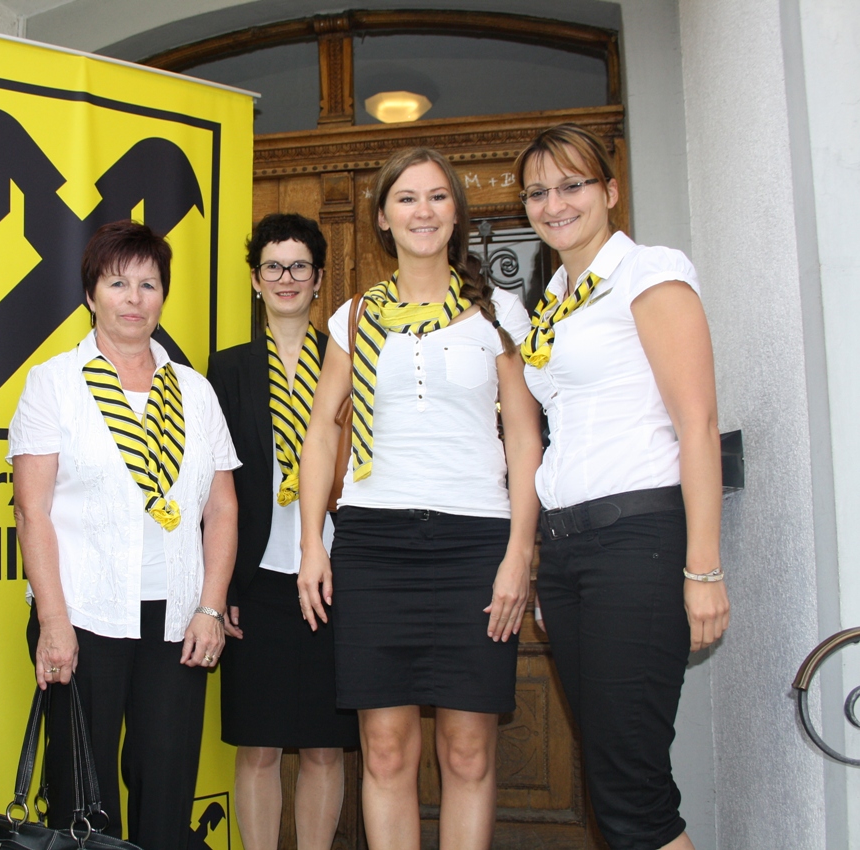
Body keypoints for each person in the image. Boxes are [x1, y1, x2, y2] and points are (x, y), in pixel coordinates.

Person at [296, 147, 542, 850]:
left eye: (437, 197)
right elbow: (321, 435)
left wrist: (518, 554)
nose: (423, 211)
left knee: (467, 753)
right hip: (374, 547)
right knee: (384, 752)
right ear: (382, 217)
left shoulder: (497, 314)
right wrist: (312, 544)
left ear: (456, 213)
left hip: (476, 546)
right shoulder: (352, 318)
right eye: (406, 198)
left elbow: (525, 440)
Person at [514, 123, 730, 850]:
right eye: (537, 192)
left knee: (633, 793)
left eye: (571, 184)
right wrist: (542, 561)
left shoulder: (648, 272)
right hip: (568, 552)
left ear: (609, 191)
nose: (554, 204)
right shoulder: (556, 296)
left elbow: (697, 424)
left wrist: (702, 569)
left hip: (636, 542)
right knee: (614, 783)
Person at [10, 220, 239, 849]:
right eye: (117, 283)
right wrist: (53, 621)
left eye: (148, 284)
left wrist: (210, 609)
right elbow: (32, 512)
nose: (134, 298)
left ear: (163, 295)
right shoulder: (54, 383)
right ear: (91, 294)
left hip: (177, 625)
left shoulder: (195, 391)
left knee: (167, 792)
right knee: (83, 802)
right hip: (82, 617)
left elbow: (221, 508)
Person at [207, 213, 359, 850]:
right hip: (257, 577)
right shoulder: (228, 369)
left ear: (319, 278)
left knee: (326, 746)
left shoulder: (350, 361)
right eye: (273, 266)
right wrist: (221, 588)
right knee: (259, 745)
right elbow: (212, 486)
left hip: (337, 573)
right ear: (255, 279)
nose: (286, 277)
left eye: (299, 266)